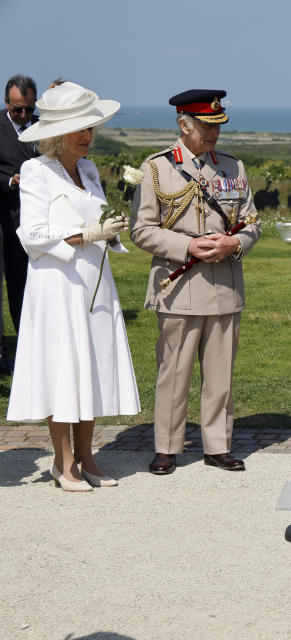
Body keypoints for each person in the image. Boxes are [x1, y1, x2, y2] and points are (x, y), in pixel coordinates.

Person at [7, 82, 139, 491]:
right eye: (81, 129)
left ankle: (87, 456)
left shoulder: (88, 170)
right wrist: (87, 234)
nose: (88, 136)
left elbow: (98, 222)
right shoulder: (35, 171)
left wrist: (112, 231)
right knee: (63, 366)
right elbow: (32, 234)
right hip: (57, 283)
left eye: (91, 128)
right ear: (57, 134)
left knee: (93, 363)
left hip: (95, 281)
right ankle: (63, 463)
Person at [131, 89, 261, 475]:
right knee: (174, 372)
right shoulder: (157, 168)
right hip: (179, 288)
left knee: (221, 374)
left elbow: (252, 222)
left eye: (217, 127)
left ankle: (217, 446)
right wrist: (188, 245)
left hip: (225, 286)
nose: (213, 135)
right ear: (183, 124)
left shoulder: (233, 168)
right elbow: (142, 230)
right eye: (206, 127)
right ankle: (167, 447)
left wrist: (234, 241)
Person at [0, 74, 39, 336]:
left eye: (29, 108)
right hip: (5, 217)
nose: (24, 114)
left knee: (28, 286)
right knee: (10, 285)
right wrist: (9, 181)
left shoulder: (41, 128)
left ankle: (30, 342)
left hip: (35, 221)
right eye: (17, 109)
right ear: (6, 102)